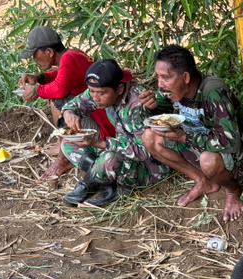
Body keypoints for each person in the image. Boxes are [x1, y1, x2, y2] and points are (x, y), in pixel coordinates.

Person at [139, 44, 243, 223]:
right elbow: (161, 116)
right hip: (203, 146)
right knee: (149, 137)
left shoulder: (213, 91)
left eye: (165, 77)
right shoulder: (172, 91)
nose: (160, 84)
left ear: (186, 77)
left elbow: (229, 142)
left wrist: (184, 137)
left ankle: (234, 190)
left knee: (208, 160)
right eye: (158, 77)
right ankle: (203, 181)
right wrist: (150, 108)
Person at [59, 59, 171, 208]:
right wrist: (68, 113)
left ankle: (94, 183)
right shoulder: (102, 94)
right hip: (121, 151)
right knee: (68, 142)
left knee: (109, 158)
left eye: (101, 93)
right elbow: (74, 104)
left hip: (149, 167)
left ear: (119, 89)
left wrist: (100, 144)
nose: (95, 97)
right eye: (92, 91)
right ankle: (104, 177)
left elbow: (145, 150)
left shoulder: (137, 105)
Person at [17, 26, 93, 182]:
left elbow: (59, 88)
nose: (34, 60)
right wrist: (39, 78)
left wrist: (36, 90)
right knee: (57, 98)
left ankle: (65, 157)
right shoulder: (71, 55)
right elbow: (60, 76)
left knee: (58, 99)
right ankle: (63, 146)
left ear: (49, 52)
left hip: (95, 119)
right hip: (94, 113)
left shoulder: (69, 58)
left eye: (35, 55)